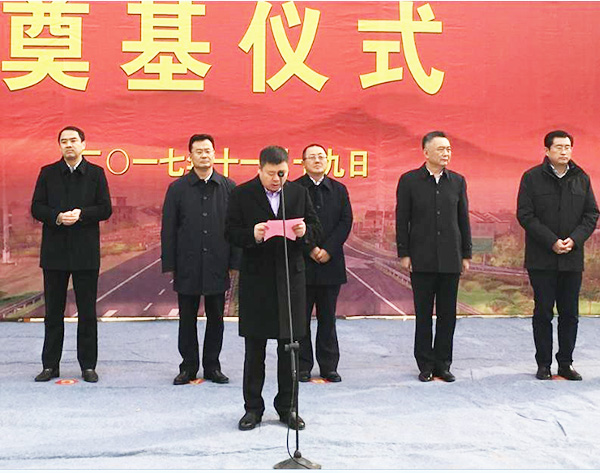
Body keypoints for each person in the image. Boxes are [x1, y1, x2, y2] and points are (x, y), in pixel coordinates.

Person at [225, 146, 321, 431]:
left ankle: (287, 407)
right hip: (257, 281)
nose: (277, 179)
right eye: (271, 174)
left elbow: (316, 226)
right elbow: (229, 232)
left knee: (289, 348)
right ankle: (252, 409)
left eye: (282, 173)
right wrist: (251, 235)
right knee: (255, 349)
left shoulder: (298, 193)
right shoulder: (242, 194)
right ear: (259, 169)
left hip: (291, 280)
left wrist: (305, 232)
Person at [31, 126, 112, 383]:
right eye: (64, 141)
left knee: (87, 312)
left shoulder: (96, 174)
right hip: (54, 253)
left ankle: (88, 366)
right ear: (59, 146)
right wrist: (56, 216)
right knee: (53, 313)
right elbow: (36, 207)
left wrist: (82, 214)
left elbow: (106, 208)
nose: (69, 145)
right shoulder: (48, 173)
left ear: (83, 144)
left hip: (85, 253)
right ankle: (50, 365)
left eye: (73, 140)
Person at [517, 130, 598, 381]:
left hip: (572, 258)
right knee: (543, 312)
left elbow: (591, 214)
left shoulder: (581, 178)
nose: (564, 151)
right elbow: (525, 215)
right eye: (559, 147)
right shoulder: (531, 178)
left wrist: (575, 239)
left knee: (570, 313)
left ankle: (565, 363)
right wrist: (551, 241)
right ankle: (543, 364)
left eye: (568, 147)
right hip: (542, 259)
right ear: (547, 150)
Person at [161, 134, 238, 386]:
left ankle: (212, 366)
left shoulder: (229, 187)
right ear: (190, 156)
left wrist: (234, 262)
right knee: (187, 318)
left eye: (208, 151)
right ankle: (188, 367)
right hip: (188, 263)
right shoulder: (177, 188)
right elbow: (169, 228)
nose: (204, 155)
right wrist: (170, 264)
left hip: (217, 262)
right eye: (199, 151)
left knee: (216, 318)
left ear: (215, 154)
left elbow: (235, 227)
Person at [395, 131, 472, 383]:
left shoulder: (457, 181)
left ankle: (443, 364)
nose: (446, 153)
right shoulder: (409, 181)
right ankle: (425, 364)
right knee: (424, 315)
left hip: (451, 257)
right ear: (426, 152)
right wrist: (404, 252)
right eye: (441, 149)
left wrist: (466, 253)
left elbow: (463, 219)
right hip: (422, 257)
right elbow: (402, 219)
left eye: (448, 149)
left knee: (448, 315)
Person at [294, 144, 353, 383]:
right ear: (303, 162)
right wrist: (310, 248)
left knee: (328, 319)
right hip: (303, 264)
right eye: (312, 157)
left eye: (321, 156)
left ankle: (329, 366)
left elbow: (345, 222)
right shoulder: (294, 189)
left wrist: (328, 249)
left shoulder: (339, 189)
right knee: (301, 320)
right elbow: (292, 223)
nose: (318, 160)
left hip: (331, 264)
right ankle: (302, 366)